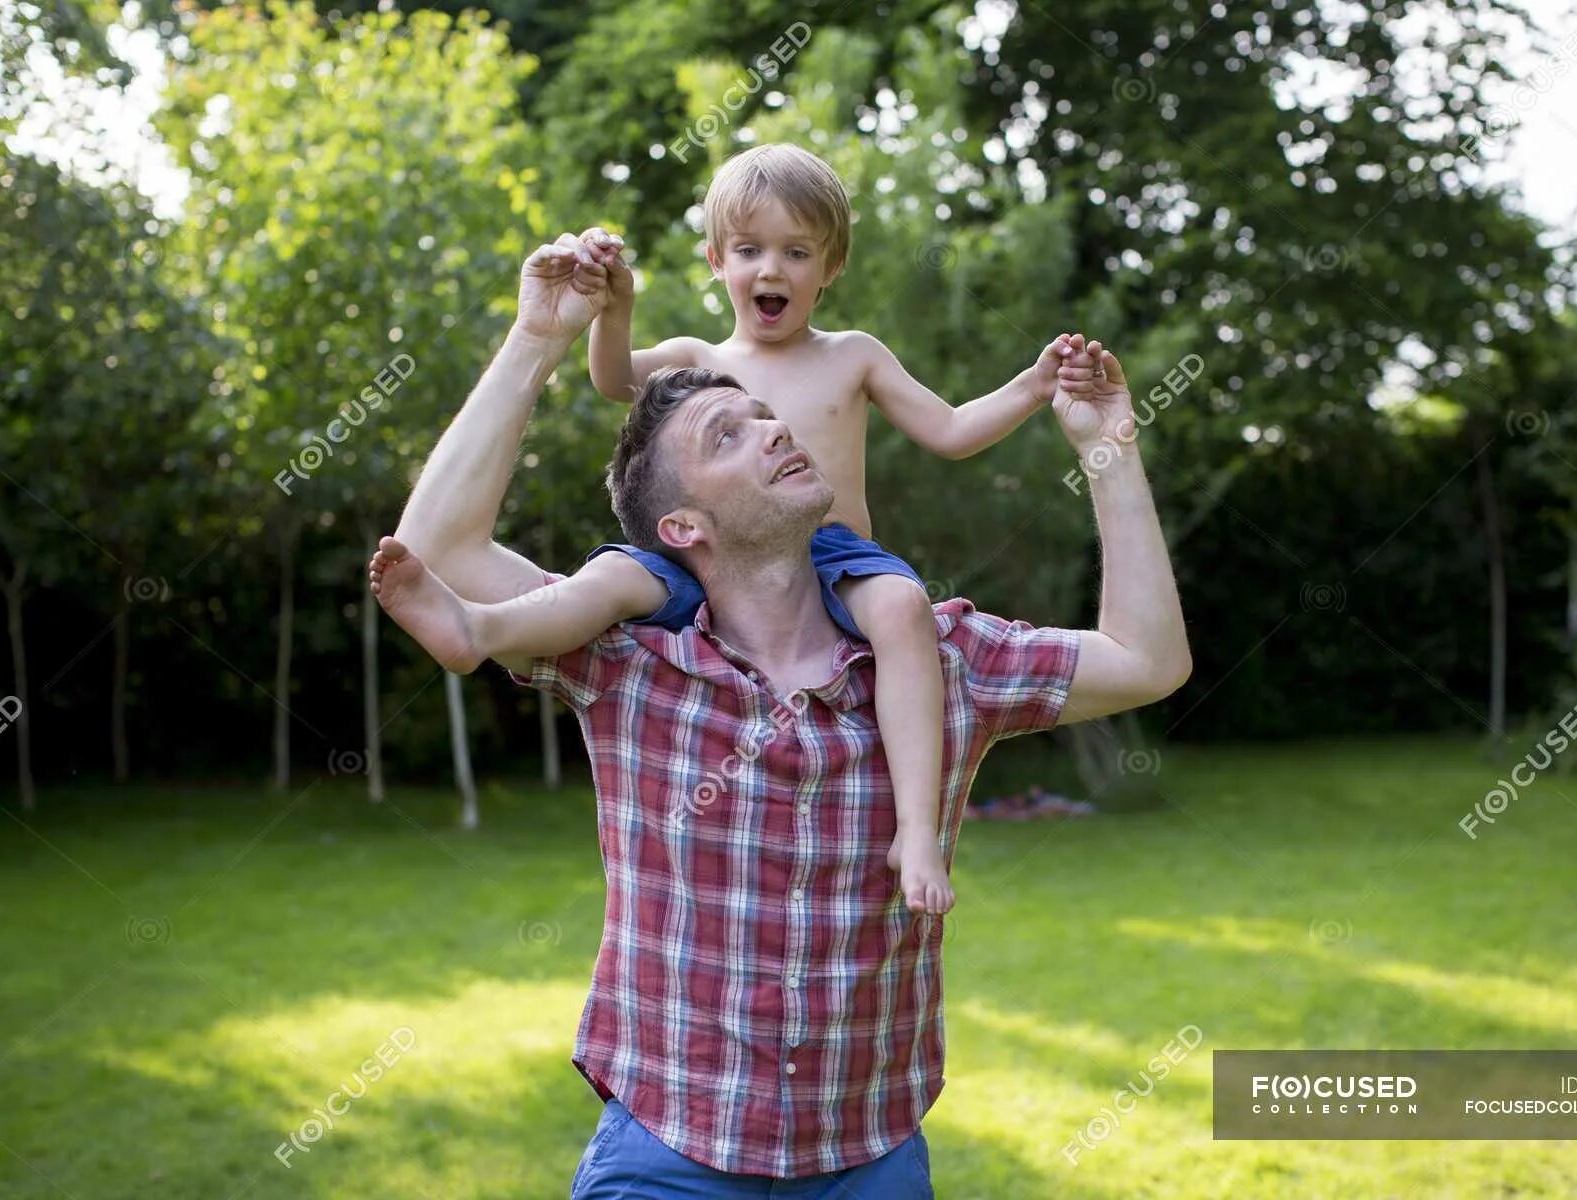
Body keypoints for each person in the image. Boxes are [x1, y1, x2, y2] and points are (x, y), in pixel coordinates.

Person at [374, 230, 1191, 1195]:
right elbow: (434, 551)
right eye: (726, 434)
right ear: (685, 530)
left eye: (763, 414)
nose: (772, 426)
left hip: (868, 1159)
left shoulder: (929, 659)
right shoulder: (629, 654)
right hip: (665, 1151)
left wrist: (1108, 448)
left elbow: (1148, 662)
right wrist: (537, 336)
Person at [568, 144, 1076, 915]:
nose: (771, 269)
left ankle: (915, 828)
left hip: (834, 557)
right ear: (715, 260)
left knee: (904, 609)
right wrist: (616, 304)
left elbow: (952, 429)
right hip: (720, 558)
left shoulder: (853, 356)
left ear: (830, 266)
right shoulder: (698, 362)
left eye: (796, 252)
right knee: (611, 578)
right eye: (749, 250)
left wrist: (1033, 386)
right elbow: (611, 379)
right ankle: (484, 624)